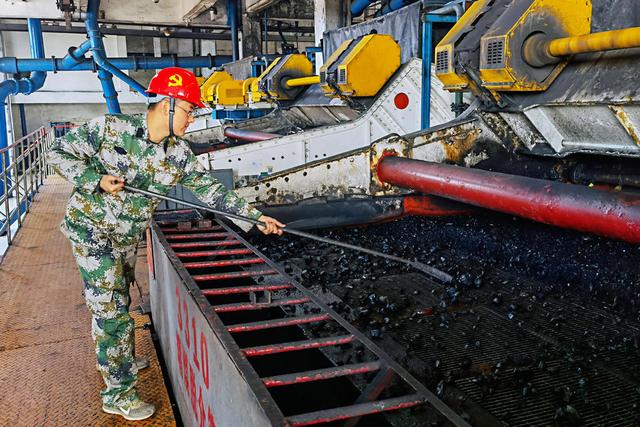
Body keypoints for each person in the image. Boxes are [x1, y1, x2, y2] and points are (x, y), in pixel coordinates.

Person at [47, 67, 284, 421]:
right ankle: (118, 392)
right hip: (93, 232)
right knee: (112, 313)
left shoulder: (178, 155)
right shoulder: (112, 129)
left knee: (116, 301)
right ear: (169, 104)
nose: (191, 119)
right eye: (190, 110)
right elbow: (57, 153)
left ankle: (116, 356)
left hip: (126, 235)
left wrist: (255, 218)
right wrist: (95, 180)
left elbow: (212, 192)